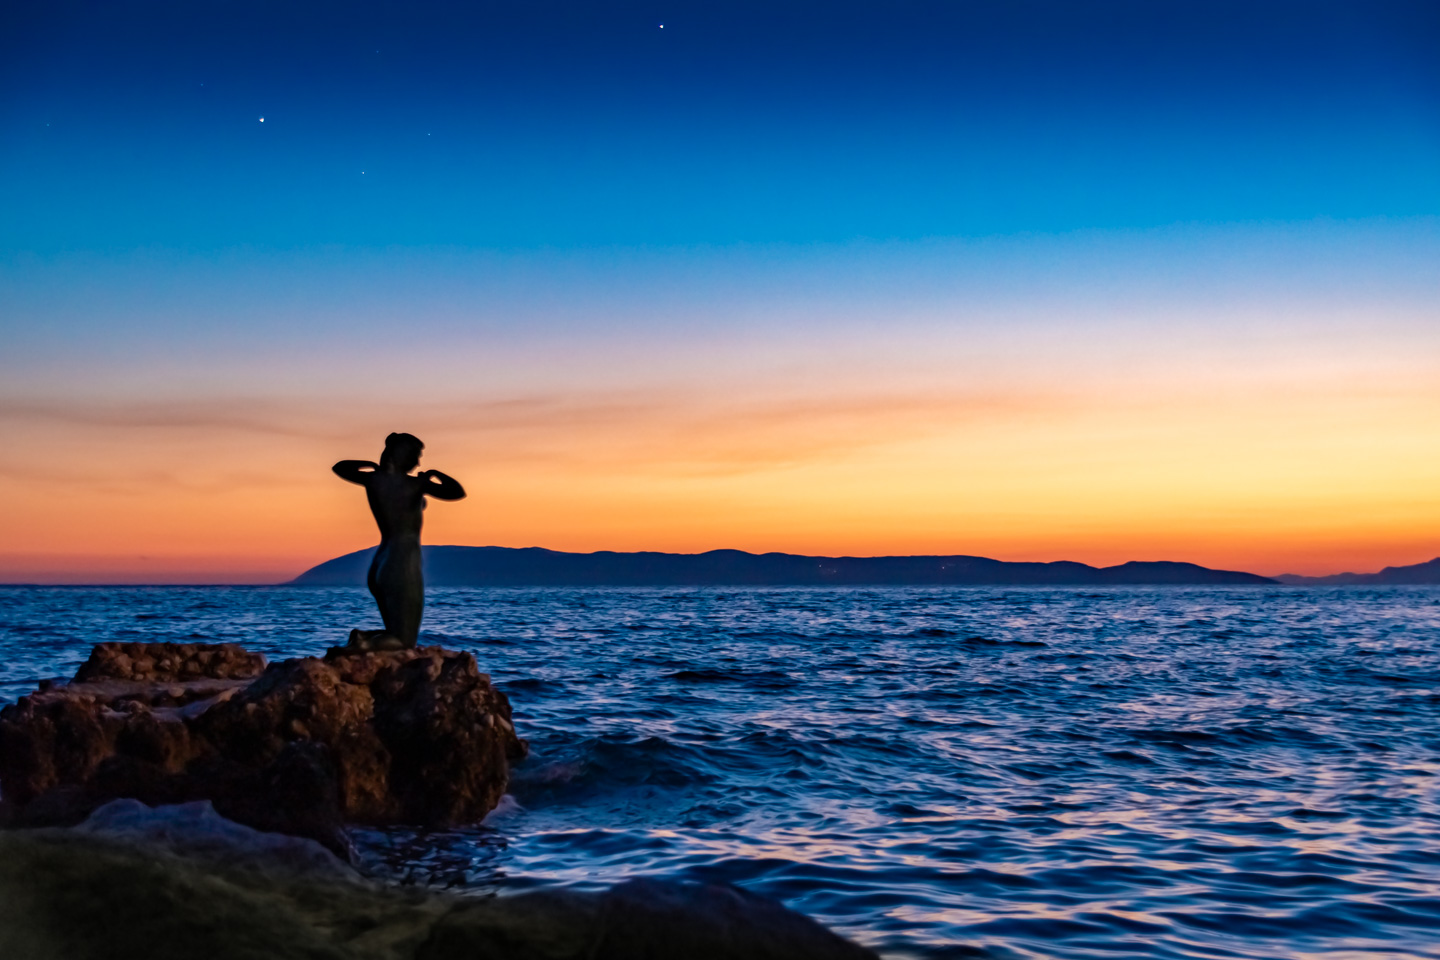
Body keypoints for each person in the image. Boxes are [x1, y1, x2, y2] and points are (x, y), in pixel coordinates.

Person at [332, 433, 465, 650]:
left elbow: (341, 467)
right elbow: (456, 492)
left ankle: (362, 637)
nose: (418, 462)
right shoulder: (414, 484)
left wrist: (370, 465)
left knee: (395, 631)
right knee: (404, 642)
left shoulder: (374, 480)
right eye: (416, 455)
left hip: (381, 560)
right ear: (402, 454)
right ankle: (360, 646)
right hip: (403, 561)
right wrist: (434, 475)